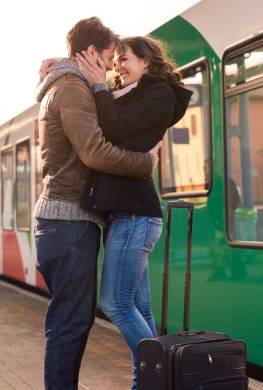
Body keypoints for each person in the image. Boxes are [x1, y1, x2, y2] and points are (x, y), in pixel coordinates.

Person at [33, 17, 160, 390]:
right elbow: (93, 151)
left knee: (71, 321)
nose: (109, 66)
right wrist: (145, 163)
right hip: (68, 220)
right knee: (70, 324)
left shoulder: (70, 82)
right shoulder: (71, 87)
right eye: (107, 57)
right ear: (90, 53)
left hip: (69, 219)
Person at [75, 36, 192, 390]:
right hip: (123, 216)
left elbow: (113, 129)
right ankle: (146, 385)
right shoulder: (125, 94)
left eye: (125, 59)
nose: (117, 67)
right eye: (116, 61)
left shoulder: (160, 94)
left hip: (134, 216)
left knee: (116, 303)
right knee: (140, 311)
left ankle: (169, 378)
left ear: (147, 60)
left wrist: (98, 85)